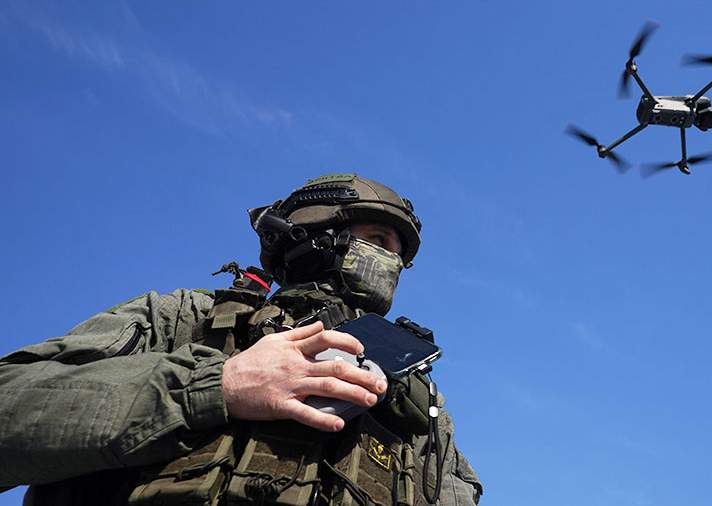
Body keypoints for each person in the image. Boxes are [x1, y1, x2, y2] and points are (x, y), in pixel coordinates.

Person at [0, 173, 483, 505]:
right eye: (377, 240)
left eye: (399, 255)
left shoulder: (416, 398)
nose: (392, 263)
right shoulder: (185, 319)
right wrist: (219, 385)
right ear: (315, 234)